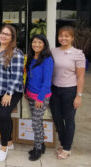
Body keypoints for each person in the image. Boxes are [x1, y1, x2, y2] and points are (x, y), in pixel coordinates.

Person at [0, 25, 24, 161]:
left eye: (7, 34)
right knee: (4, 116)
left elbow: (17, 75)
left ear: (12, 37)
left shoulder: (16, 53)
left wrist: (8, 93)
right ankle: (9, 142)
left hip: (11, 91)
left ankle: (3, 147)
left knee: (3, 115)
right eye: (2, 33)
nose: (3, 36)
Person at [50, 26, 85, 160]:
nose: (63, 38)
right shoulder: (53, 51)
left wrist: (79, 95)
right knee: (57, 119)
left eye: (67, 36)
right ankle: (64, 143)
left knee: (69, 120)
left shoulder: (77, 53)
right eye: (61, 35)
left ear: (72, 38)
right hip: (54, 90)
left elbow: (81, 77)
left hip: (69, 90)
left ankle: (67, 148)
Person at [25, 34, 54, 161]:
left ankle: (37, 149)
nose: (36, 45)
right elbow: (29, 76)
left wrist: (40, 98)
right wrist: (26, 92)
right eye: (34, 42)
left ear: (44, 44)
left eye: (40, 42)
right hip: (30, 95)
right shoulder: (31, 57)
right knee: (38, 121)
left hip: (40, 97)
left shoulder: (47, 59)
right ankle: (41, 145)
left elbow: (47, 81)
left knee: (35, 122)